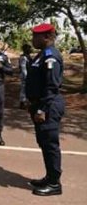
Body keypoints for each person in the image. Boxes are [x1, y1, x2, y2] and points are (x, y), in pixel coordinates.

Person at [26, 23, 65, 196]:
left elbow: (52, 86)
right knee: (43, 142)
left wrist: (41, 109)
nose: (33, 40)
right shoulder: (41, 55)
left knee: (50, 144)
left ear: (47, 37)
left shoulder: (51, 57)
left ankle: (55, 183)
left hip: (48, 106)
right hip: (39, 104)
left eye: (36, 36)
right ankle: (49, 177)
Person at [19, 44, 32, 109]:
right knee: (23, 89)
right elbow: (23, 68)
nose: (30, 50)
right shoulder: (23, 57)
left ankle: (26, 102)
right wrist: (26, 76)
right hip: (24, 75)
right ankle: (22, 103)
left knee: (27, 89)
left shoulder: (28, 56)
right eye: (29, 48)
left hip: (28, 75)